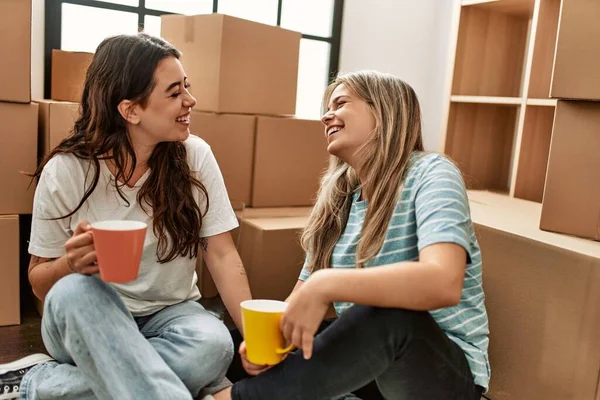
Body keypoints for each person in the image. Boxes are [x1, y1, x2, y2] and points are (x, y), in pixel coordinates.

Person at [0, 33, 252, 400]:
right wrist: (70, 265)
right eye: (173, 92)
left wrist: (253, 337)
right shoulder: (67, 170)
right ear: (130, 110)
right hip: (89, 315)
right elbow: (39, 281)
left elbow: (222, 253)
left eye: (187, 86)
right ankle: (191, 387)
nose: (190, 100)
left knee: (213, 347)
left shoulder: (195, 156)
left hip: (171, 313)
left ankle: (40, 384)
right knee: (74, 292)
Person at [212, 71, 490, 400]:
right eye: (327, 107)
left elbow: (444, 281)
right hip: (373, 372)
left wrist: (326, 283)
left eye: (340, 103)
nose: (326, 115)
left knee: (387, 314)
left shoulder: (432, 173)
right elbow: (297, 305)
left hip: (440, 375)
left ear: (384, 111)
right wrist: (267, 345)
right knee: (227, 348)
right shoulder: (340, 201)